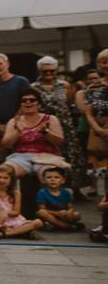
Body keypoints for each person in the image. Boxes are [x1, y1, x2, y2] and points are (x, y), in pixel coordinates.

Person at [34, 57, 84, 190]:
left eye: (51, 70)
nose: (48, 74)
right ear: (39, 71)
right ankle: (51, 188)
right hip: (45, 126)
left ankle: (75, 189)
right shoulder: (33, 87)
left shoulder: (65, 85)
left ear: (56, 70)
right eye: (45, 71)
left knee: (71, 157)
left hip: (65, 125)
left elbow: (70, 103)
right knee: (51, 157)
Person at [2, 88, 67, 181]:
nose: (28, 102)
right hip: (21, 157)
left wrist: (46, 133)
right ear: (20, 105)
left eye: (32, 100)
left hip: (46, 156)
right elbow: (6, 144)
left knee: (50, 176)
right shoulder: (14, 121)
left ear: (39, 104)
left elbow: (60, 142)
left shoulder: (50, 119)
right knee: (4, 172)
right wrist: (18, 131)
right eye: (24, 100)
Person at [0, 53, 32, 161]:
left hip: (19, 129)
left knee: (22, 161)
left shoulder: (22, 82)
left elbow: (27, 103)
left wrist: (12, 123)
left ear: (8, 64)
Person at [76, 49, 108, 191]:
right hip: (99, 130)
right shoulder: (93, 87)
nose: (106, 65)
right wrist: (97, 128)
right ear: (99, 65)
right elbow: (88, 112)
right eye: (103, 62)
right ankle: (104, 197)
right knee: (103, 166)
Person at [0, 164, 43, 239]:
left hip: (16, 220)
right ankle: (20, 232)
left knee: (38, 222)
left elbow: (16, 212)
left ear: (11, 180)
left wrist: (7, 213)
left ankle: (6, 234)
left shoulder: (16, 193)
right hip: (1, 221)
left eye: (6, 178)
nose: (2, 180)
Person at [36, 166, 82, 231]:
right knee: (41, 212)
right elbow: (42, 209)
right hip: (50, 215)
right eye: (49, 177)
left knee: (77, 214)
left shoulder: (66, 192)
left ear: (62, 180)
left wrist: (68, 212)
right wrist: (56, 213)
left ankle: (56, 225)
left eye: (56, 177)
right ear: (44, 180)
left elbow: (70, 207)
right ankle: (65, 226)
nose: (52, 179)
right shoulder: (42, 192)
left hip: (62, 216)